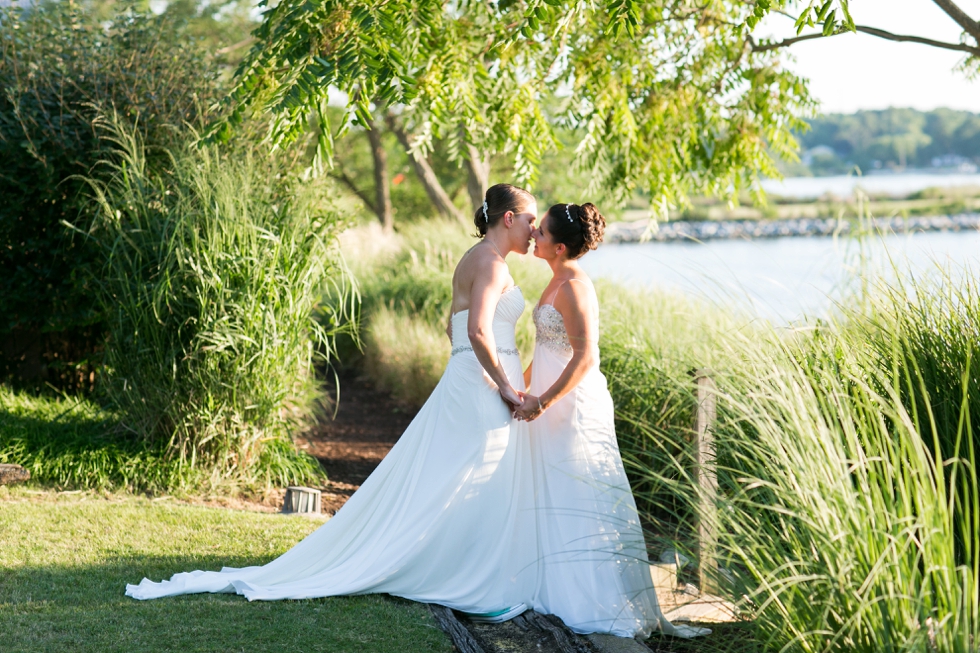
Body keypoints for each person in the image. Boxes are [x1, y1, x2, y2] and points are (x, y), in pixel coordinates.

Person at [126, 184, 539, 623]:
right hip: (482, 387)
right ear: (508, 218)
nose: (535, 228)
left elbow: (450, 328)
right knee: (476, 476)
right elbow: (476, 332)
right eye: (531, 219)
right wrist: (506, 386)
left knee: (459, 478)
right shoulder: (491, 265)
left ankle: (471, 576)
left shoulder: (475, 259)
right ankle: (475, 590)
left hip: (470, 381)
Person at [515, 202, 709, 638]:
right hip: (546, 401)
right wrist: (517, 389)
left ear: (560, 247)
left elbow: (585, 359)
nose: (534, 236)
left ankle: (595, 601)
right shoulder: (554, 281)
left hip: (572, 406)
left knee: (580, 496)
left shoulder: (576, 288)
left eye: (541, 232)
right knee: (552, 491)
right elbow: (546, 350)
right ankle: (556, 587)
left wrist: (542, 401)